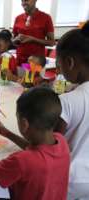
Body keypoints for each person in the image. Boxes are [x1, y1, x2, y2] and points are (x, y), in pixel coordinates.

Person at [0, 87, 70, 200]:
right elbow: (34, 149)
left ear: (24, 124)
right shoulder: (61, 141)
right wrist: (7, 133)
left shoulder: (21, 161)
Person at [54, 21, 89, 200]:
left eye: (59, 66)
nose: (59, 70)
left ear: (70, 62)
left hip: (70, 181)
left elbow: (48, 150)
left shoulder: (67, 101)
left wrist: (7, 133)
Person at [13, 0, 55, 66]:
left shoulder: (46, 18)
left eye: (26, 0)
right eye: (22, 1)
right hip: (20, 60)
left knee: (33, 76)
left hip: (36, 62)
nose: (23, 3)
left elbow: (52, 42)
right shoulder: (18, 18)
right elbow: (13, 40)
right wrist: (16, 40)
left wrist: (32, 39)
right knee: (20, 76)